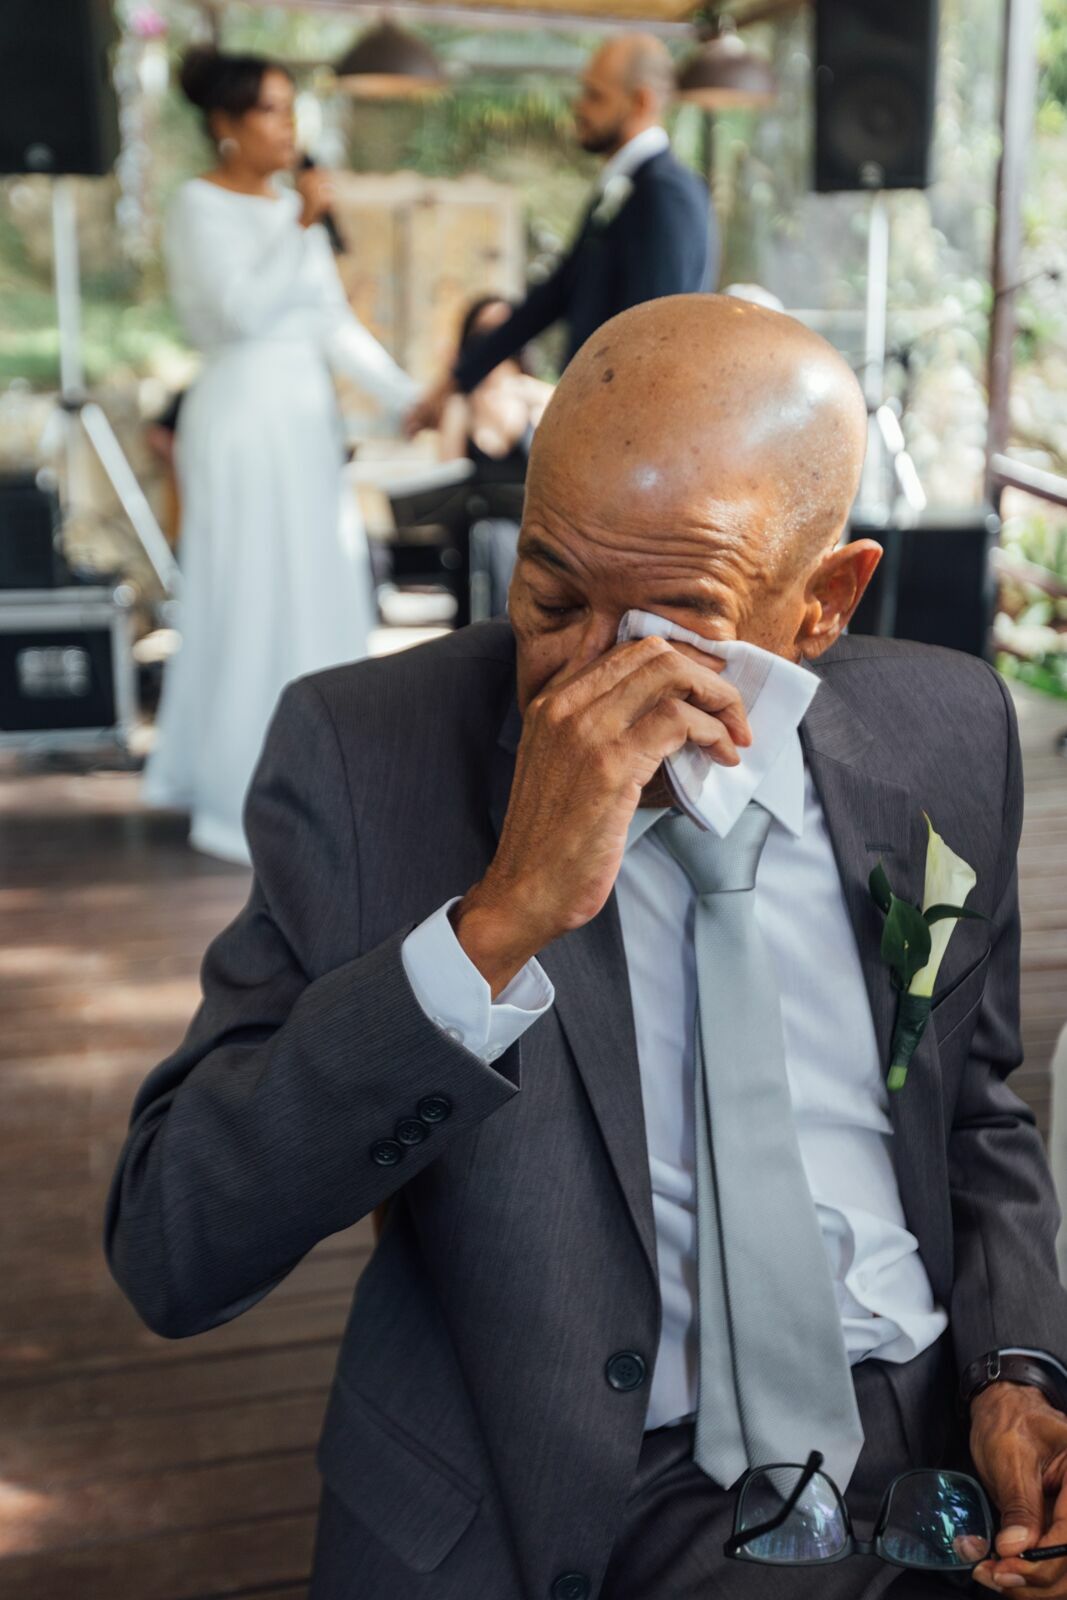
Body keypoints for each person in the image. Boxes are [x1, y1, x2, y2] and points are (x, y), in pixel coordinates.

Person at [106, 296, 1067, 1600]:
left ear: (821, 603)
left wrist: (1018, 1369)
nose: (584, 685)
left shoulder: (941, 733)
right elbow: (175, 1248)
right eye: (551, 596)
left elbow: (972, 1113)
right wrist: (494, 925)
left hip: (922, 1440)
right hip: (564, 1487)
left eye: (673, 620)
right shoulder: (364, 757)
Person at [143, 48, 416, 864]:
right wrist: (299, 223)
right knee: (251, 594)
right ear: (225, 125)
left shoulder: (293, 212)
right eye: (269, 110)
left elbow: (329, 322)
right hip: (239, 418)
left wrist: (411, 396)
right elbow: (234, 313)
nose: (287, 126)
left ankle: (320, 778)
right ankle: (236, 793)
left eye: (291, 109)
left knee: (315, 588)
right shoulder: (198, 206)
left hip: (303, 424)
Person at [406, 34, 716, 436]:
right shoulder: (622, 188)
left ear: (641, 102)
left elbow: (654, 335)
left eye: (595, 95)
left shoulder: (664, 194)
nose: (578, 107)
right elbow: (554, 294)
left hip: (633, 434)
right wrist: (457, 381)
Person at [437, 295, 553, 615]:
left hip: (531, 540)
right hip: (478, 543)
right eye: (483, 332)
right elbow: (449, 476)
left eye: (502, 329)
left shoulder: (541, 397)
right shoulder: (461, 404)